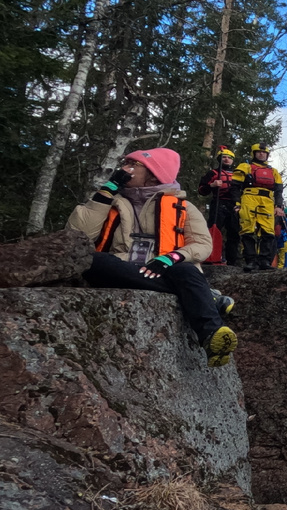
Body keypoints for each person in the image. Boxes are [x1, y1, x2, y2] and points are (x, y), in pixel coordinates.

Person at [66, 148, 236, 367]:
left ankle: (212, 336)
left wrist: (172, 257)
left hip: (167, 271)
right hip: (122, 270)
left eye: (132, 165)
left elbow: (203, 244)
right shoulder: (111, 201)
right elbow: (78, 235)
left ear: (155, 174)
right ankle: (203, 296)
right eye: (125, 163)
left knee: (185, 270)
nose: (124, 169)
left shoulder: (184, 207)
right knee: (94, 261)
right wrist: (106, 191)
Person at [230, 143, 284, 271]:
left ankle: (264, 261)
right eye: (259, 152)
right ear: (254, 153)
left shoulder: (273, 171)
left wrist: (278, 206)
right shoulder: (245, 167)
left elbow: (278, 191)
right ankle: (251, 260)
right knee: (247, 230)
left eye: (264, 152)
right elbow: (235, 187)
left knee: (268, 231)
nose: (261, 154)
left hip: (267, 201)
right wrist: (237, 204)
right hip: (249, 198)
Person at [198, 146, 239, 266]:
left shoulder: (238, 174)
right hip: (218, 203)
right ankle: (211, 257)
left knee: (234, 233)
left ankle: (232, 261)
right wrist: (212, 185)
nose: (226, 160)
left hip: (234, 205)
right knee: (214, 230)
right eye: (224, 157)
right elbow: (201, 190)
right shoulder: (213, 173)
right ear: (219, 159)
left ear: (233, 160)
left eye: (229, 158)